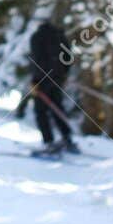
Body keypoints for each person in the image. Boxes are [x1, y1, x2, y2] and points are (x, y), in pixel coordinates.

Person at [21, 16, 79, 154]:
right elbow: (68, 57)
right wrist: (63, 75)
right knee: (57, 108)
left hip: (42, 80)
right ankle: (67, 138)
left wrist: (35, 81)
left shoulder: (37, 37)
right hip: (57, 79)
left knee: (41, 112)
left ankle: (48, 142)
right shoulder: (60, 35)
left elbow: (37, 60)